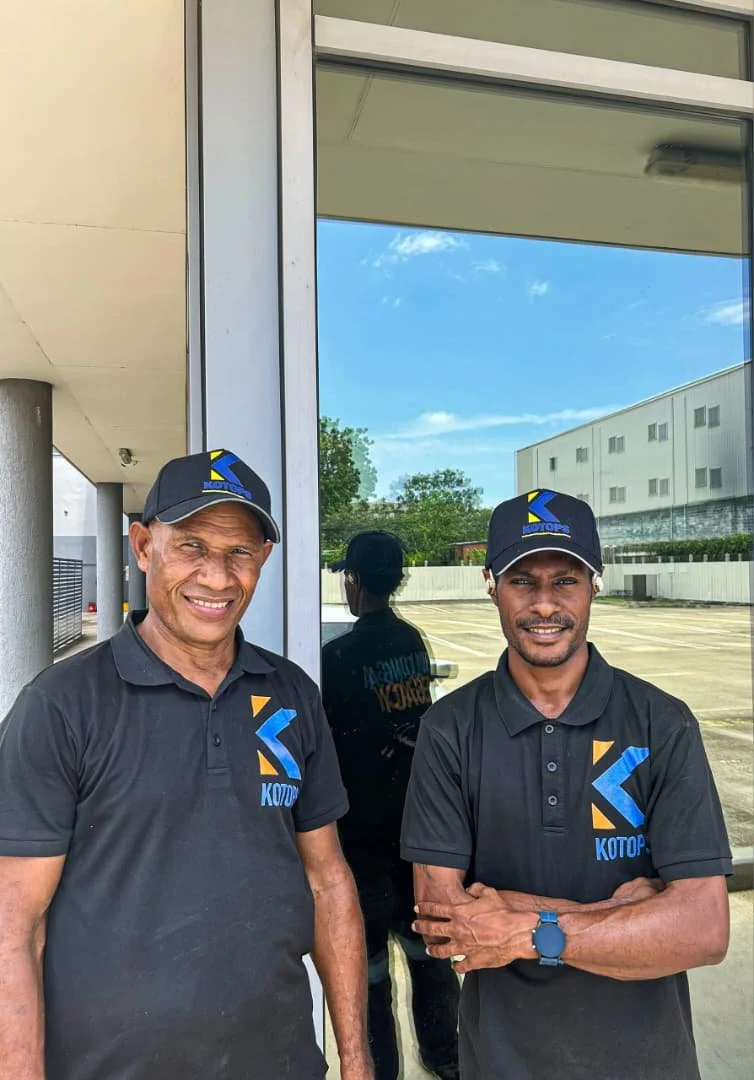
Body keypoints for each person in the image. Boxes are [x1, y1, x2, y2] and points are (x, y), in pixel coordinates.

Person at [0, 449, 373, 1080]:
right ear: (143, 546)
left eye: (240, 552)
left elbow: (327, 883)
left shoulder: (290, 695)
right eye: (192, 546)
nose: (218, 577)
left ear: (264, 560)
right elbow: (14, 922)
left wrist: (357, 1060)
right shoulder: (62, 705)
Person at [402, 490, 731, 1080]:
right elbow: (443, 923)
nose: (545, 605)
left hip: (648, 1062)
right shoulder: (449, 729)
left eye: (566, 581)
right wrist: (632, 913)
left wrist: (533, 925)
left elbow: (704, 930)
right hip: (503, 1062)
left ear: (595, 584)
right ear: (490, 584)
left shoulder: (663, 721)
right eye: (523, 581)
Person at [322, 531, 460, 1080]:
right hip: (416, 832)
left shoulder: (338, 658)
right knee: (429, 956)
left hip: (361, 840)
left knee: (370, 968)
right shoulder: (411, 643)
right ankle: (446, 1058)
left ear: (355, 583)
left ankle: (382, 1070)